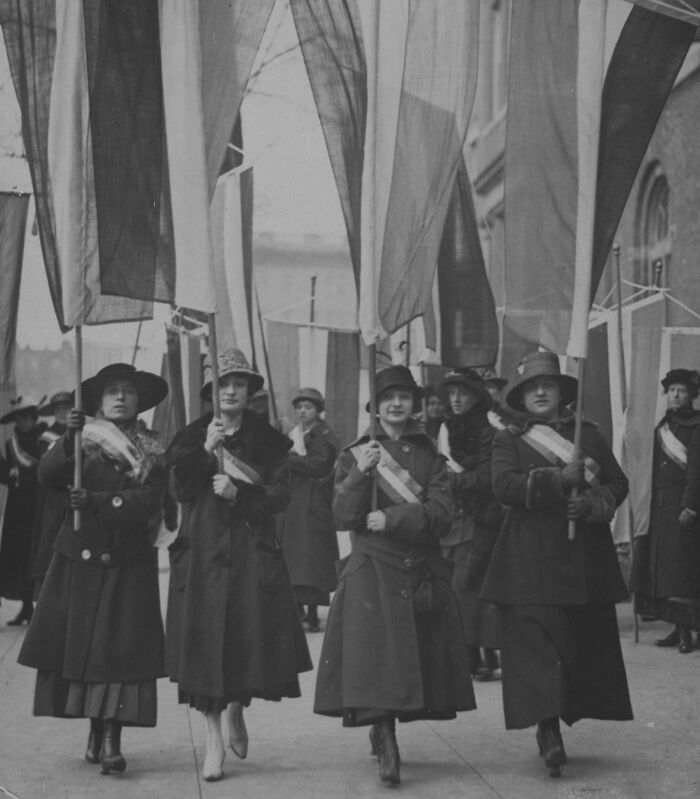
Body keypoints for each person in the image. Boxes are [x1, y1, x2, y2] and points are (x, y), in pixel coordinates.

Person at [314, 365, 475, 786]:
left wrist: (393, 517)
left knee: (410, 661)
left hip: (417, 569)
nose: (397, 404)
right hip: (370, 568)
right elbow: (340, 516)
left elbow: (441, 515)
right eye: (388, 398)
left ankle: (386, 725)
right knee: (375, 662)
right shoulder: (356, 453)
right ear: (376, 407)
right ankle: (384, 735)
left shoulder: (431, 456)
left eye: (404, 396)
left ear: (415, 404)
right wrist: (358, 473)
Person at [481, 351, 633, 777]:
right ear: (522, 398)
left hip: (581, 557)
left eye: (548, 386)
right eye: (532, 388)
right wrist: (554, 480)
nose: (541, 392)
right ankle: (546, 728)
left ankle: (560, 717)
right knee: (536, 645)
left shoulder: (587, 434)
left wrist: (588, 503)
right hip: (527, 558)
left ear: (562, 392)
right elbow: (503, 486)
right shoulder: (508, 438)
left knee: (572, 645)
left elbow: (618, 483)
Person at [165, 349, 312, 783]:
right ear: (212, 390)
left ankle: (235, 710)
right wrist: (202, 452)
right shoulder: (192, 435)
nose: (231, 391)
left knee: (246, 644)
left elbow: (282, 496)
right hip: (203, 555)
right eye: (224, 383)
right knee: (207, 651)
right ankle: (213, 740)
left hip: (251, 555)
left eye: (240, 384)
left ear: (250, 391)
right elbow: (176, 489)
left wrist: (240, 494)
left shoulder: (268, 440)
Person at [18, 363, 168, 775]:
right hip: (79, 559)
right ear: (99, 402)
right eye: (112, 391)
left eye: (129, 391)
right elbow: (47, 477)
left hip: (127, 560)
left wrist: (99, 503)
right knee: (85, 652)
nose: (120, 397)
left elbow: (150, 501)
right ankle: (93, 728)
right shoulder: (83, 439)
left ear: (140, 402)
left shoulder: (153, 448)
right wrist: (70, 436)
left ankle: (111, 738)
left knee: (119, 655)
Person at [436, 368, 503, 681]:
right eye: (452, 393)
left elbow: (488, 478)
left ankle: (474, 653)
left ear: (477, 396)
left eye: (463, 392)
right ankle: (475, 653)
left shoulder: (490, 432)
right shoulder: (448, 428)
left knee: (467, 586)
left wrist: (451, 481)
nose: (456, 398)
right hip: (454, 517)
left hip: (484, 517)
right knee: (459, 585)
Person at [632, 368, 700, 653]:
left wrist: (690, 505)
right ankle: (675, 627)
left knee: (682, 571)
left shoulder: (696, 425)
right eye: (671, 390)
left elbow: (697, 471)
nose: (675, 395)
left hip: (683, 504)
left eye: (681, 390)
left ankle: (687, 632)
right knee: (665, 570)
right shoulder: (662, 426)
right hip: (661, 505)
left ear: (691, 396)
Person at [278, 387, 339, 632]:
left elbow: (318, 464)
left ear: (318, 410)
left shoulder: (325, 435)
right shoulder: (294, 433)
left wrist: (289, 459)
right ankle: (298, 610)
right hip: (294, 502)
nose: (303, 411)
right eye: (300, 407)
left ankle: (312, 613)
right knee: (293, 557)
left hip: (313, 502)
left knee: (312, 559)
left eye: (309, 407)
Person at [0, 397, 46, 625]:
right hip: (17, 507)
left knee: (37, 552)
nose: (23, 421)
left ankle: (41, 609)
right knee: (18, 554)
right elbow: (6, 472)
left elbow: (45, 469)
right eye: (19, 417)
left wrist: (22, 475)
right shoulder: (11, 444)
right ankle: (26, 607)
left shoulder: (44, 438)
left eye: (27, 416)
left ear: (34, 418)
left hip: (39, 504)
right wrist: (10, 474)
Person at [30, 391, 73, 598]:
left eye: (67, 408)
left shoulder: (84, 432)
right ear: (54, 412)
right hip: (55, 498)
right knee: (51, 544)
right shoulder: (46, 438)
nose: (64, 412)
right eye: (59, 409)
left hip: (78, 494)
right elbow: (49, 469)